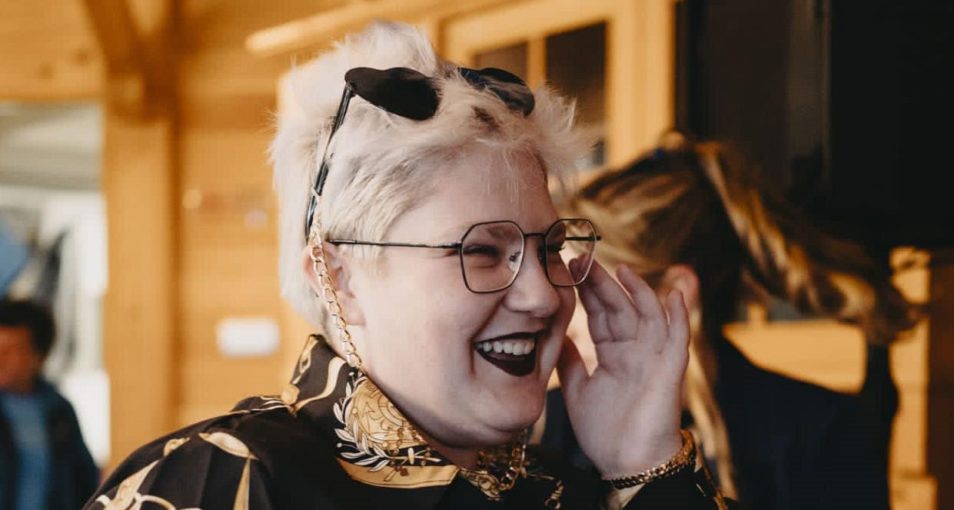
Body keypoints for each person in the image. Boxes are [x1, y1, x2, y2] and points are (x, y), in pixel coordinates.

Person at [85, 23, 732, 509]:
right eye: (482, 250)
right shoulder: (221, 481)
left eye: (547, 248)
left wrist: (643, 465)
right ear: (340, 278)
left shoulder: (569, 493)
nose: (542, 295)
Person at [542, 133, 922, 509]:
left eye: (589, 291)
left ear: (675, 293)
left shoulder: (822, 433)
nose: (562, 317)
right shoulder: (553, 423)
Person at [0, 299, 98, 510]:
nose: (1, 359)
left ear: (39, 356)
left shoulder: (59, 411)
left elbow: (84, 478)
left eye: (10, 350)